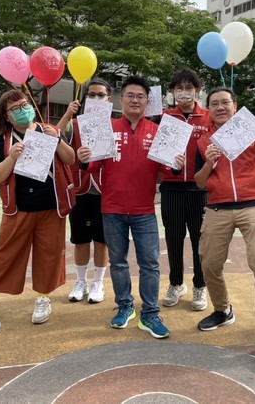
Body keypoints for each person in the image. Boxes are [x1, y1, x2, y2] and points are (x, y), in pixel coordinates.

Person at [77, 75, 183, 339]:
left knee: (150, 264)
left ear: (148, 102)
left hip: (144, 211)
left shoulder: (158, 131)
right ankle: (125, 306)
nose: (135, 100)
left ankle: (150, 314)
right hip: (112, 209)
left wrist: (175, 164)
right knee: (118, 262)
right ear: (121, 100)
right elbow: (93, 165)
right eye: (130, 95)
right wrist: (83, 159)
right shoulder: (106, 128)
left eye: (140, 96)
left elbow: (166, 167)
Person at [194, 87, 255, 372]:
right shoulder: (203, 141)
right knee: (209, 264)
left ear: (235, 105)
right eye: (214, 104)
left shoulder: (253, 131)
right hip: (217, 207)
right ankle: (223, 310)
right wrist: (209, 163)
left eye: (225, 102)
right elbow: (199, 182)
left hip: (254, 205)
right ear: (208, 109)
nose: (220, 107)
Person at [0, 89, 76, 327]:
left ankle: (43, 297)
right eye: (14, 108)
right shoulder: (2, 141)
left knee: (49, 254)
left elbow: (70, 159)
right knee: (5, 254)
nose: (22, 110)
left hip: (51, 207)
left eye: (24, 104)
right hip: (18, 210)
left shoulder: (49, 131)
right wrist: (11, 158)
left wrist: (57, 140)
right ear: (6, 116)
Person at [158, 68, 211, 311]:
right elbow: (155, 153)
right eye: (179, 88)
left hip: (200, 190)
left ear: (197, 91)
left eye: (189, 88)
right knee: (174, 239)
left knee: (201, 241)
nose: (184, 92)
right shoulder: (164, 118)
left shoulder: (209, 118)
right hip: (171, 188)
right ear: (171, 91)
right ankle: (176, 283)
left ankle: (200, 285)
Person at [57, 78, 111, 304]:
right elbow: (53, 136)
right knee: (80, 239)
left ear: (108, 99)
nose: (96, 99)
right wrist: (68, 114)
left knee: (102, 240)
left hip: (105, 191)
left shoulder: (114, 126)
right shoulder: (74, 124)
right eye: (92, 95)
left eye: (101, 95)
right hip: (79, 189)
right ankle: (80, 281)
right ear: (85, 98)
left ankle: (98, 282)